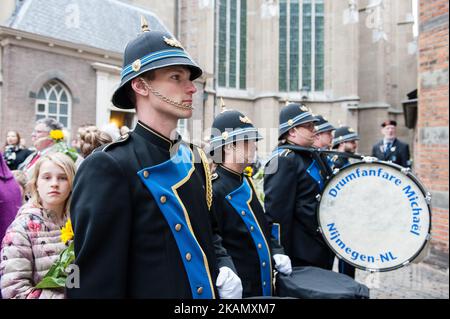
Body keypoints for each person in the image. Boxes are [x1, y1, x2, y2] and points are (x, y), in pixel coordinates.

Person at [67, 18, 241, 299]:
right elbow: (92, 280)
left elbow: (209, 233)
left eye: (190, 78)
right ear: (141, 86)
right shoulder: (108, 166)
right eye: (176, 77)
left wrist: (223, 264)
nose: (191, 88)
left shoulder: (194, 157)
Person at [208, 109, 292, 297]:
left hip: (261, 283)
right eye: (247, 141)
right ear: (228, 147)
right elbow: (211, 238)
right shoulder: (214, 188)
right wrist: (224, 267)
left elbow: (262, 225)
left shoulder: (244, 180)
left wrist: (276, 250)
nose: (254, 146)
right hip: (240, 288)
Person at [264, 103, 334, 270]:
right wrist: (279, 251)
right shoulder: (284, 160)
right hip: (301, 252)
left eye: (313, 125)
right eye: (308, 126)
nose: (314, 130)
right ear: (292, 131)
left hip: (321, 245)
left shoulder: (311, 155)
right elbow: (277, 214)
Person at [0, 153, 75, 299]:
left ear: (72, 184)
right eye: (47, 177)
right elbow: (14, 290)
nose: (54, 183)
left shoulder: (78, 222)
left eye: (62, 177)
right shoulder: (21, 228)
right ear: (36, 184)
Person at [330, 126, 360, 278]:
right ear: (341, 143)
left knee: (348, 263)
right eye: (352, 141)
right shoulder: (337, 162)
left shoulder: (345, 161)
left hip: (349, 218)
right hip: (339, 219)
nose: (355, 144)